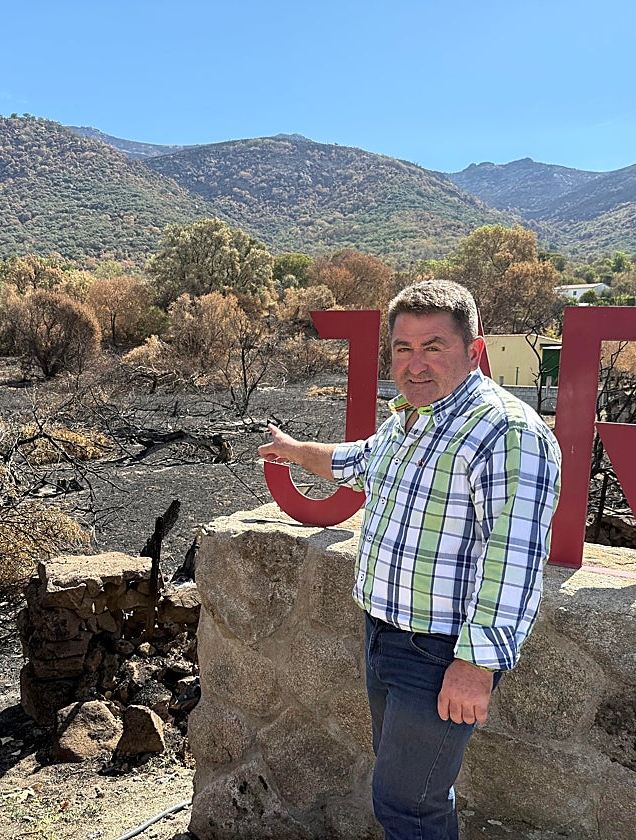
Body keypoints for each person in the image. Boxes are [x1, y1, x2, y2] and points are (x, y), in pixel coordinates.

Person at [258, 279, 561, 840]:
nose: (415, 364)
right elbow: (354, 463)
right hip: (384, 637)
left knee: (406, 806)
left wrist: (476, 666)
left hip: (440, 652)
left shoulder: (507, 432)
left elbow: (514, 555)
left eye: (433, 346)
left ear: (473, 350)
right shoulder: (409, 421)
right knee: (413, 792)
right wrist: (296, 450)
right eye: (403, 348)